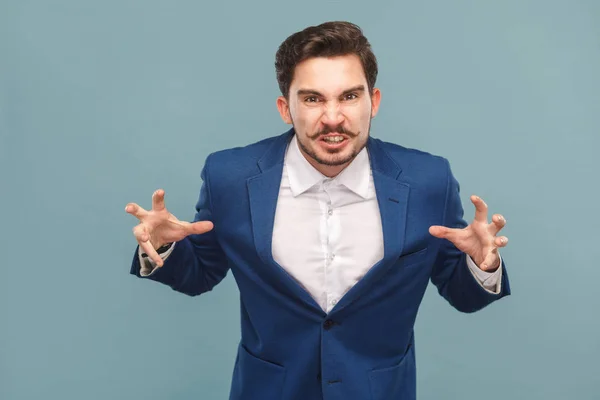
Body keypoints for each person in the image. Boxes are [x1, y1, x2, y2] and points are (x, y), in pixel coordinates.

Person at [126, 21, 510, 400]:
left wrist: (481, 266)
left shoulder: (429, 180)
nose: (332, 118)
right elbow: (200, 274)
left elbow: (463, 294)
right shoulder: (230, 177)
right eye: (312, 99)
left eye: (349, 97)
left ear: (372, 101)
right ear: (285, 108)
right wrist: (163, 247)